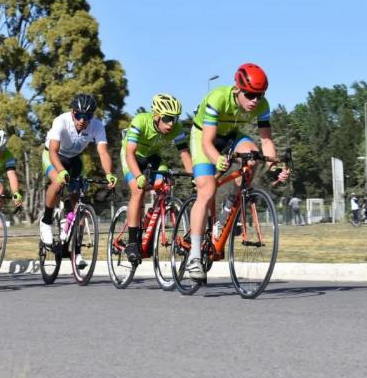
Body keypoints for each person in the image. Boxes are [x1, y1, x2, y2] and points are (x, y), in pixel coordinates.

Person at [186, 63, 290, 280]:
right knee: (206, 190)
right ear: (238, 89)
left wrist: (275, 167)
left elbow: (266, 141)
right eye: (250, 94)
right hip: (204, 137)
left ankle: (229, 205)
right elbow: (207, 142)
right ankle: (194, 256)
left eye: (259, 95)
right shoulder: (219, 98)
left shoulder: (262, 105)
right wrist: (218, 160)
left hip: (232, 134)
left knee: (252, 156)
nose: (255, 100)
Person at [39, 93, 117, 270]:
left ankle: (76, 251)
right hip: (54, 157)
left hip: (74, 160)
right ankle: (47, 220)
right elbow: (52, 151)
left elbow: (103, 152)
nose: (83, 120)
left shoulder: (97, 126)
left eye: (87, 116)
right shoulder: (61, 121)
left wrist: (109, 174)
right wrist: (60, 172)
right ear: (72, 112)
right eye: (79, 115)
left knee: (79, 202)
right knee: (58, 183)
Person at [121, 94, 192, 264]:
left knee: (166, 182)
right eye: (167, 118)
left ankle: (152, 222)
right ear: (156, 115)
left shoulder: (176, 128)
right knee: (138, 191)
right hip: (132, 157)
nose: (171, 123)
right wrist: (138, 176)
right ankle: (131, 242)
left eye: (174, 119)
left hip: (153, 158)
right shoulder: (140, 121)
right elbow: (130, 153)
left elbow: (184, 153)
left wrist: (194, 177)